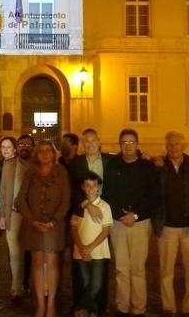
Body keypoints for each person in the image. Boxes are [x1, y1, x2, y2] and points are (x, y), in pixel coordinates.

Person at [102, 129, 159, 317]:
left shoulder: (147, 167)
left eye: (131, 142)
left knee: (138, 268)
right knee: (121, 267)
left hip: (140, 223)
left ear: (137, 144)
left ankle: (139, 307)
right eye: (124, 143)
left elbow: (153, 196)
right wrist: (121, 214)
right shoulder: (112, 166)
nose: (128, 146)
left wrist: (135, 215)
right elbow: (108, 194)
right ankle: (123, 306)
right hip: (118, 223)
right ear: (120, 145)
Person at [153, 132, 189, 317]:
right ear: (166, 146)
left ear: (184, 146)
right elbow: (154, 195)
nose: (174, 147)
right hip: (167, 227)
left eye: (177, 144)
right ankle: (168, 307)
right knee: (166, 271)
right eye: (170, 144)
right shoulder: (160, 167)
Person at [16, 141, 70, 317]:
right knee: (38, 263)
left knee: (53, 263)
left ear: (54, 154)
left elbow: (66, 200)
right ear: (36, 154)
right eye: (41, 151)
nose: (45, 154)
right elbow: (21, 199)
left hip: (55, 225)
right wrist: (32, 220)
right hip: (34, 225)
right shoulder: (30, 172)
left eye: (49, 151)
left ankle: (51, 303)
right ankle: (40, 303)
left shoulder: (61, 172)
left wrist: (54, 221)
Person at [68, 128, 113, 314]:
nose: (89, 143)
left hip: (104, 215)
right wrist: (87, 203)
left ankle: (98, 306)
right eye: (86, 141)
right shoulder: (76, 162)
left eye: (93, 140)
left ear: (99, 141)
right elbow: (71, 187)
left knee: (101, 266)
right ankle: (83, 306)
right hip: (82, 213)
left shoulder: (110, 161)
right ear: (82, 143)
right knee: (81, 269)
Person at [0, 136, 30, 301]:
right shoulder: (6, 164)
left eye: (8, 147)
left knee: (16, 253)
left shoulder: (20, 166)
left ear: (15, 149)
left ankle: (17, 288)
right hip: (11, 213)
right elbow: (3, 193)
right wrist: (2, 215)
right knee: (15, 253)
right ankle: (18, 286)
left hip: (18, 214)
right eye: (3, 147)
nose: (5, 150)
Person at [17, 134, 36, 294]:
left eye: (27, 144)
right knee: (16, 252)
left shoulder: (38, 165)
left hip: (34, 214)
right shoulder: (10, 164)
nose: (24, 147)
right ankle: (19, 284)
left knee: (32, 251)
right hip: (17, 213)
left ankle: (29, 283)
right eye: (21, 144)